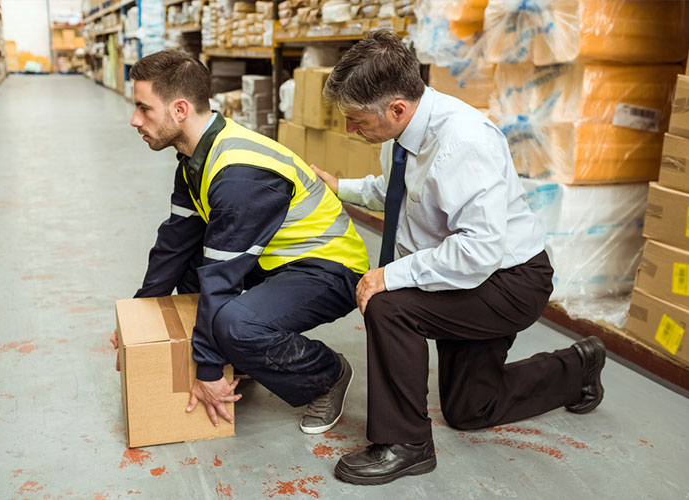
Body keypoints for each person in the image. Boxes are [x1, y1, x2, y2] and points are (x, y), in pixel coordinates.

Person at [310, 30, 607, 485]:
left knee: (389, 305)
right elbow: (394, 191)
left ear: (396, 108)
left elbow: (478, 251)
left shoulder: (464, 142)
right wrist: (341, 187)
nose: (351, 129)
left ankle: (405, 443)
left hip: (507, 281)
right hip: (466, 275)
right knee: (471, 409)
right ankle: (579, 367)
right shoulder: (404, 133)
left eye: (355, 119)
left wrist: (391, 274)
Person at [110, 49, 369, 434]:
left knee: (235, 323)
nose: (135, 120)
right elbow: (174, 245)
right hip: (273, 262)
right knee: (189, 269)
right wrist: (139, 315)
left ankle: (326, 374)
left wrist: (209, 370)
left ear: (180, 110)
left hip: (329, 268)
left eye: (144, 108)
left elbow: (222, 278)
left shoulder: (239, 176)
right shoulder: (197, 158)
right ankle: (246, 358)